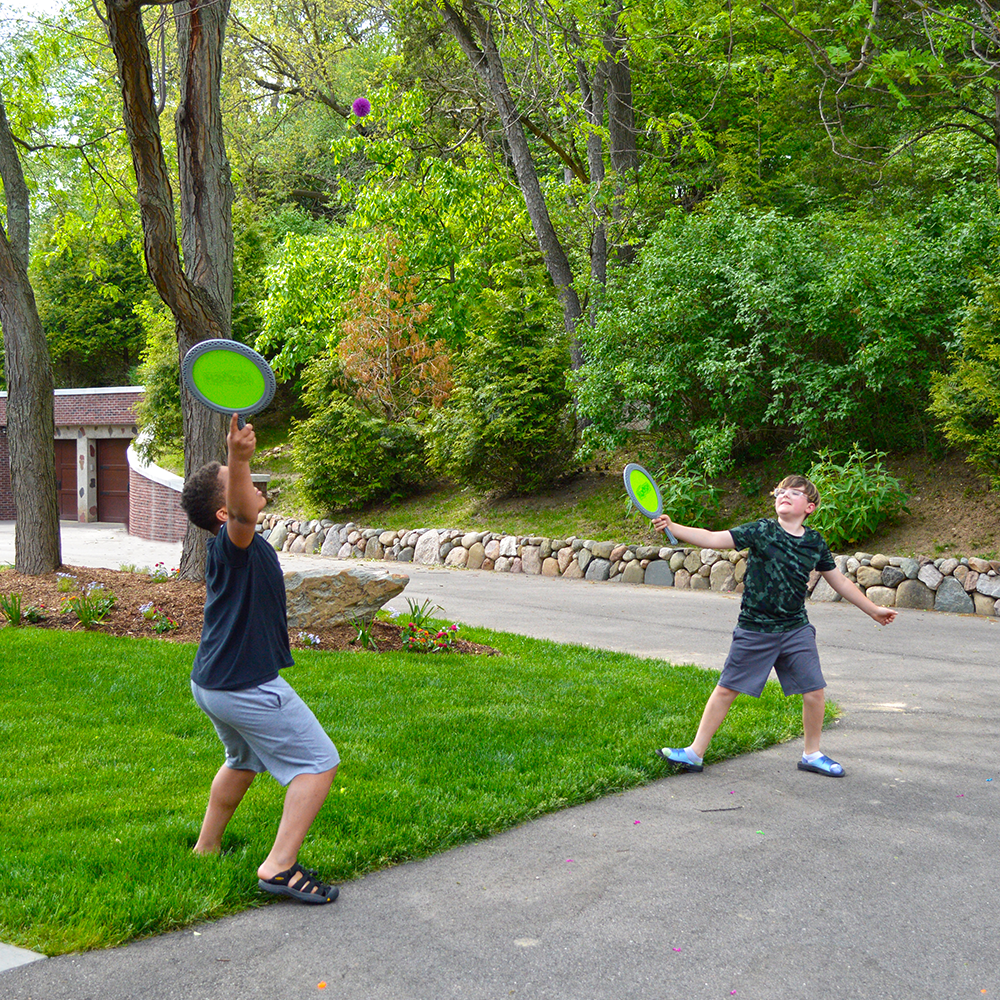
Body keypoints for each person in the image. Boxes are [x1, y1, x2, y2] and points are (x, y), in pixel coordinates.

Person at [180, 412, 340, 904]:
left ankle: (206, 848)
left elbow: (246, 511)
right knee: (318, 762)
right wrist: (237, 457)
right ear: (225, 515)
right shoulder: (235, 543)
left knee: (243, 761)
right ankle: (278, 867)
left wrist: (238, 466)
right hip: (243, 684)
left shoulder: (235, 548)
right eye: (237, 485)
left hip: (212, 682)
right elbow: (246, 515)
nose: (249, 484)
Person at [653, 474, 897, 778]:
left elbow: (839, 581)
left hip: (795, 628)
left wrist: (872, 610)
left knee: (814, 691)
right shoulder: (762, 530)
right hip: (755, 628)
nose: (783, 495)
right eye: (780, 491)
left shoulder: (814, 542)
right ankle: (693, 753)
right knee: (728, 688)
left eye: (793, 493)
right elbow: (714, 538)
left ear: (809, 507)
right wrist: (673, 528)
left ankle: (812, 754)